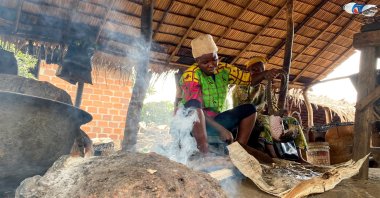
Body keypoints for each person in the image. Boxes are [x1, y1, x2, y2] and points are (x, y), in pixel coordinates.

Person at [179, 34, 282, 154]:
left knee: (249, 109)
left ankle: (238, 152)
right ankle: (204, 152)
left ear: (217, 55)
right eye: (205, 62)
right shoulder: (191, 75)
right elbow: (195, 110)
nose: (211, 64)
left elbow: (248, 79)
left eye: (214, 59)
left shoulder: (224, 70)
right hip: (192, 123)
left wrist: (265, 74)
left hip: (214, 120)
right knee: (193, 108)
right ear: (197, 61)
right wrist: (221, 129)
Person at [231, 57, 308, 163]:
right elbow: (243, 108)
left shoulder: (265, 88)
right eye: (254, 70)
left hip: (263, 117)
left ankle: (300, 156)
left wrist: (277, 113)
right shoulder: (241, 87)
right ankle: (273, 156)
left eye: (261, 70)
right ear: (248, 71)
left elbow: (273, 107)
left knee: (292, 121)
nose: (258, 72)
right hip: (247, 118)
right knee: (265, 120)